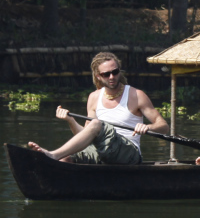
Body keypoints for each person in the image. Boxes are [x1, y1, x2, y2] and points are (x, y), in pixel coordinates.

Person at [28, 51, 167, 164]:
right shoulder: (94, 97)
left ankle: (53, 154)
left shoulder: (136, 95)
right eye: (106, 74)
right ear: (98, 77)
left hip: (129, 153)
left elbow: (164, 127)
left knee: (96, 124)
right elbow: (86, 135)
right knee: (65, 160)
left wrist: (148, 128)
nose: (112, 77)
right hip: (101, 150)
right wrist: (70, 121)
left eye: (115, 72)